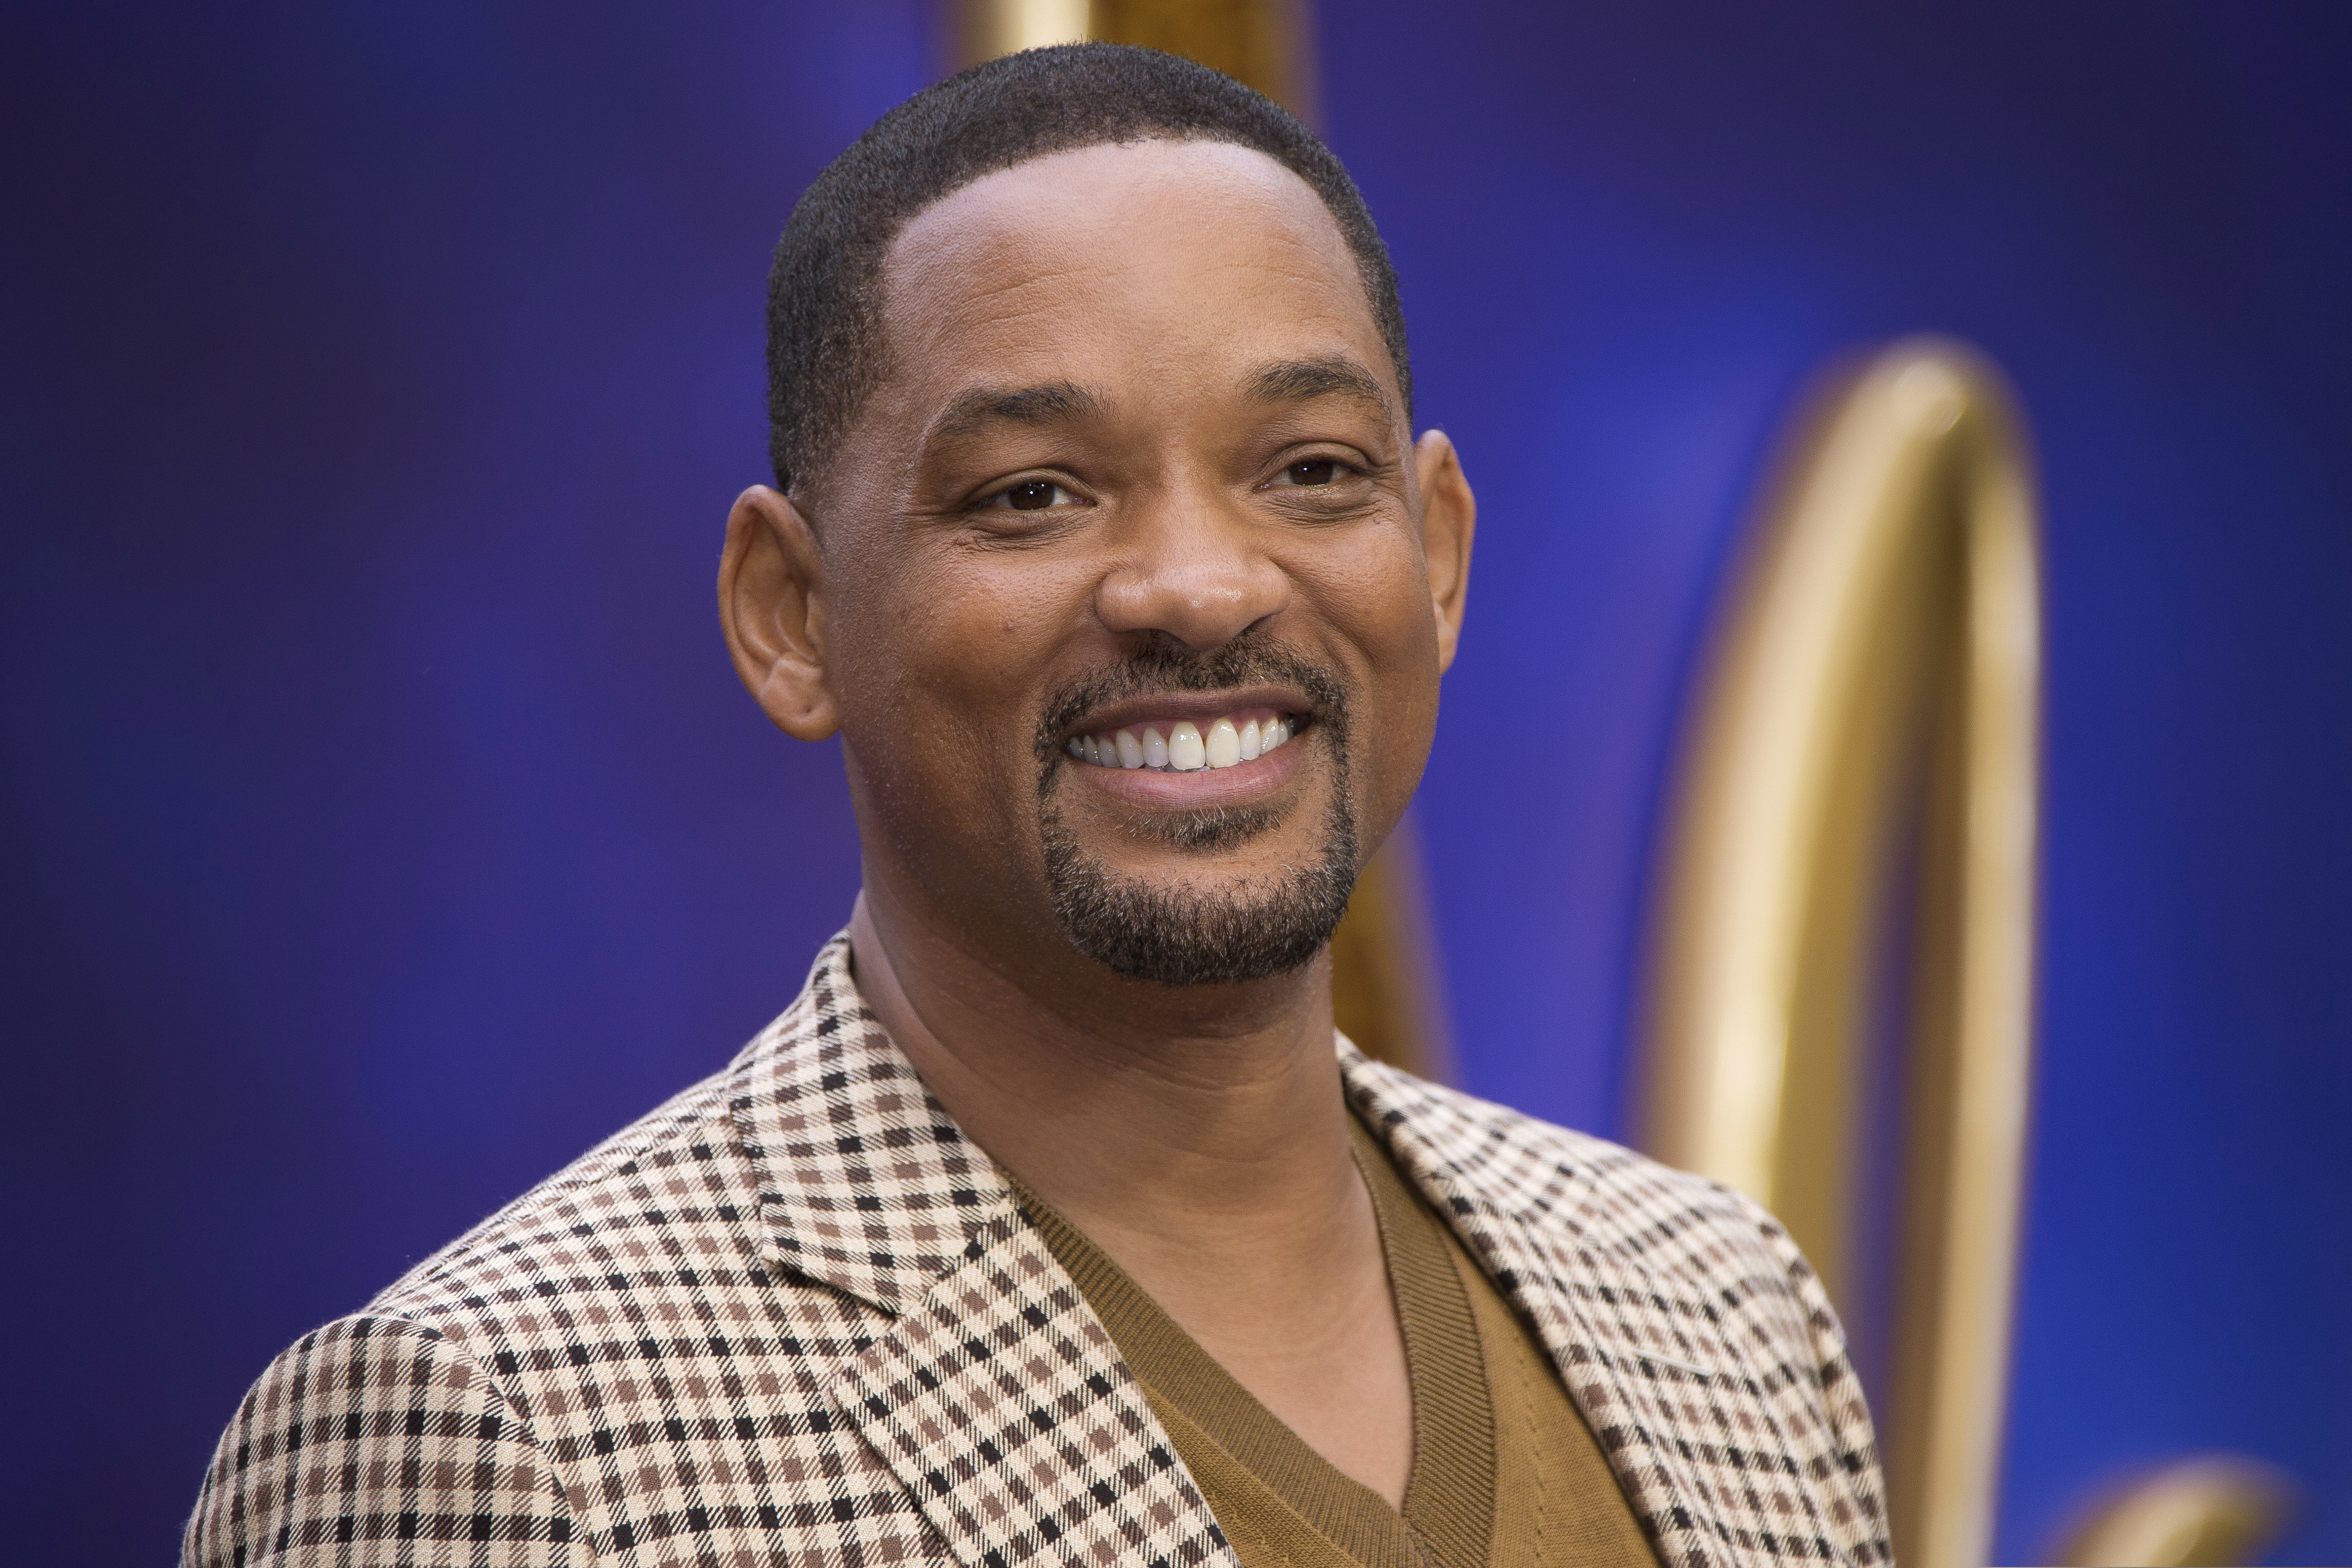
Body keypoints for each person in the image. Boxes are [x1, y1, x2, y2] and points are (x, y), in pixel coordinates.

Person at [186, 44, 1887, 1568]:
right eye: (1032, 495)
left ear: (1434, 555)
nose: (1200, 587)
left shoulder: (1717, 1314)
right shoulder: (502, 1434)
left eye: (1309, 471)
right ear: (791, 613)